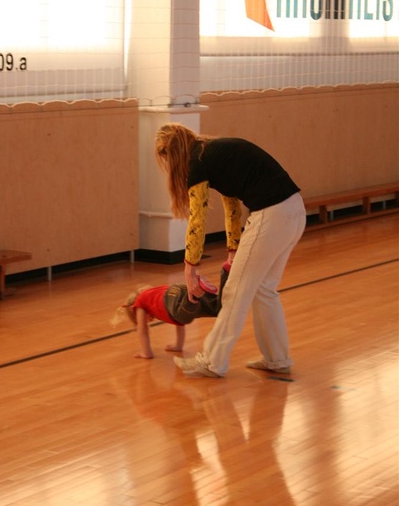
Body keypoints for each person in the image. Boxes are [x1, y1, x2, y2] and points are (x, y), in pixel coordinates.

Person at [154, 123, 306, 378]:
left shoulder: (197, 163)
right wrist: (233, 249)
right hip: (295, 210)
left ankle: (212, 361)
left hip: (271, 215)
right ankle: (277, 358)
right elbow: (232, 205)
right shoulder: (214, 152)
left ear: (171, 152)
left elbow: (197, 219)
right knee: (264, 289)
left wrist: (190, 269)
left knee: (235, 291)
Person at [111, 266, 230, 359]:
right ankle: (226, 273)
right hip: (179, 291)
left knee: (183, 316)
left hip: (173, 297)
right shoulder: (153, 297)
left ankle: (195, 290)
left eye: (137, 318)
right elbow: (179, 324)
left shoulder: (139, 302)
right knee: (218, 308)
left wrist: (146, 353)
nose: (149, 320)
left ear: (133, 309)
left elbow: (142, 330)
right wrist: (178, 346)